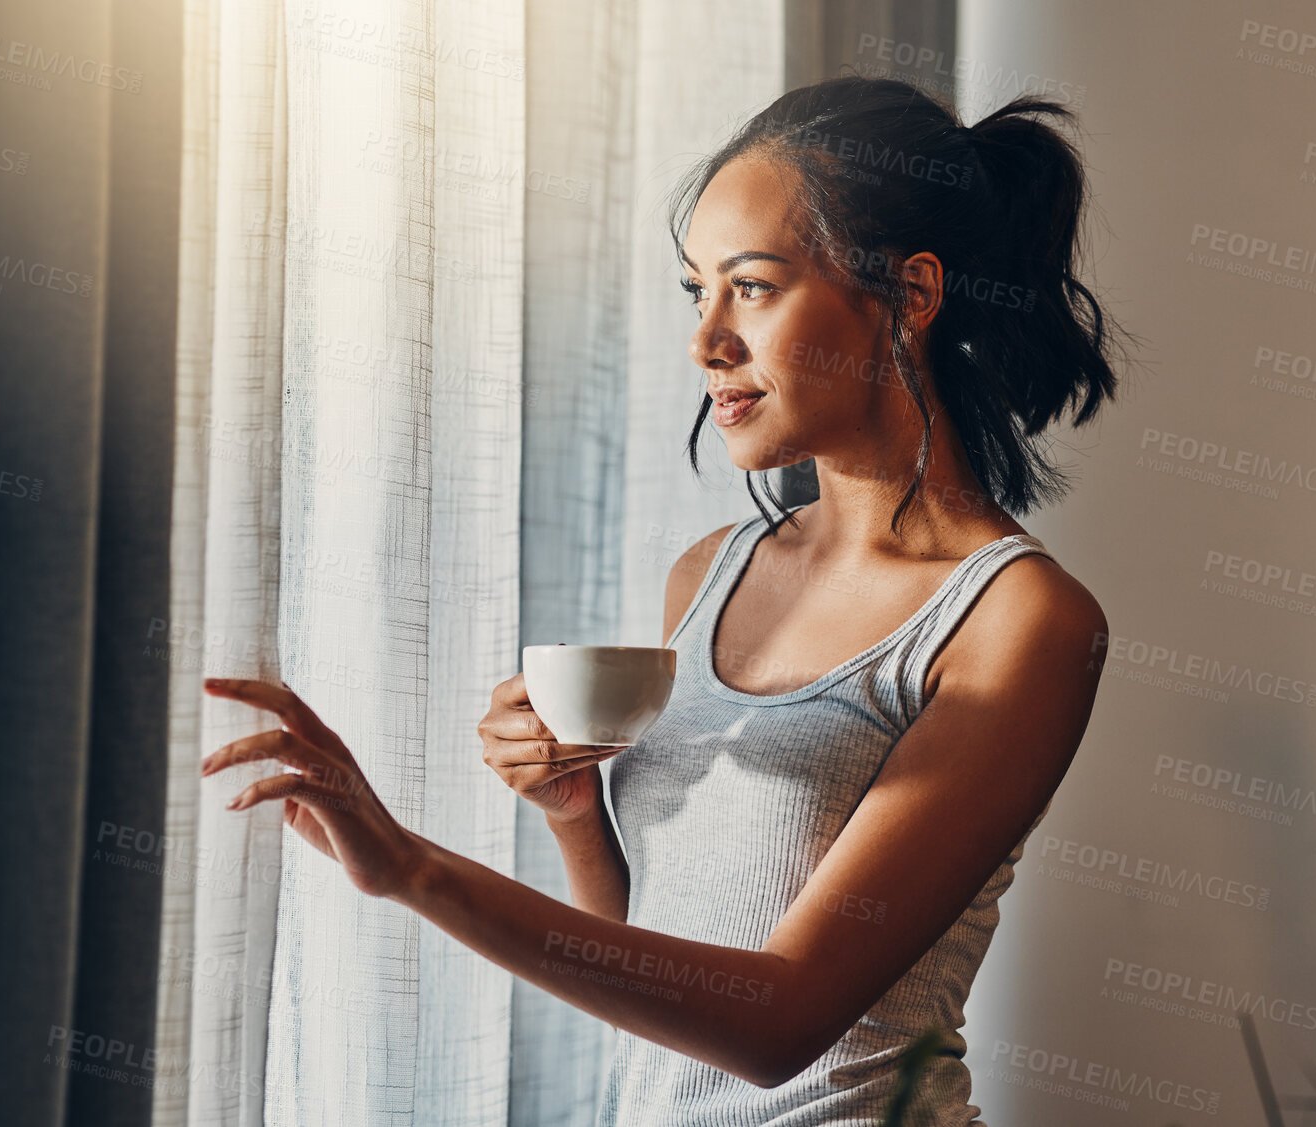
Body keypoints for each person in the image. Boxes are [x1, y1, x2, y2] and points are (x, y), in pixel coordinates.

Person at [202, 73, 1128, 1126]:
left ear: (911, 295)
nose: (706, 341)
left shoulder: (1020, 623)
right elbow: (651, 963)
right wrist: (575, 811)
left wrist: (415, 868)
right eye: (698, 291)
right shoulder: (711, 572)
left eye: (755, 287)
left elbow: (775, 1023)